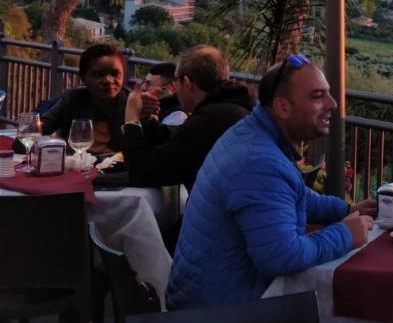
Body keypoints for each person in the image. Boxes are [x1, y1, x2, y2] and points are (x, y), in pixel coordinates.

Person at [166, 55, 375, 309]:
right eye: (318, 96)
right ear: (283, 107)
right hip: (220, 322)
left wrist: (345, 210)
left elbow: (292, 193)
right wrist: (345, 234)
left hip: (208, 297)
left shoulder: (252, 134)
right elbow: (281, 256)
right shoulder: (259, 162)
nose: (332, 104)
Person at [122, 46, 254, 191]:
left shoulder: (207, 121)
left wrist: (131, 119)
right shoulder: (233, 108)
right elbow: (177, 139)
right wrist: (148, 120)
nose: (176, 89)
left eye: (176, 81)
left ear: (187, 83)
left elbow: (142, 173)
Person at [41, 43, 130, 155]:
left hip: (120, 171)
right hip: (76, 168)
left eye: (115, 74)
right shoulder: (73, 99)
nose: (108, 80)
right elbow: (39, 129)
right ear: (83, 77)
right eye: (99, 74)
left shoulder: (131, 104)